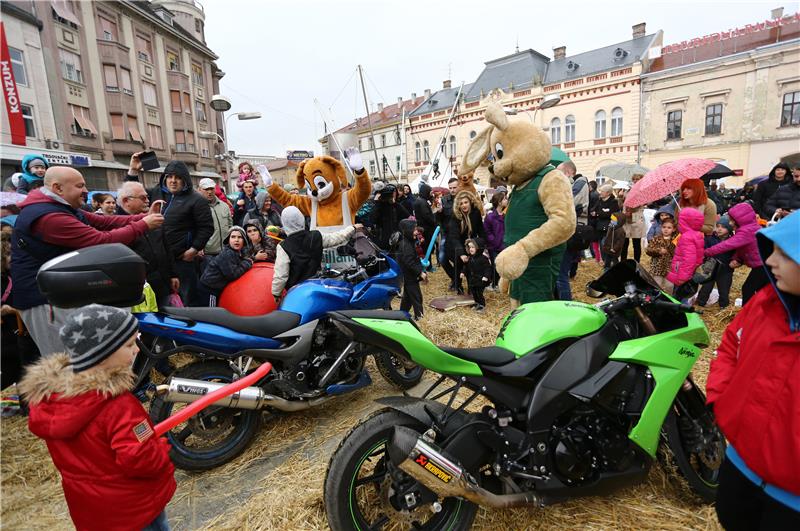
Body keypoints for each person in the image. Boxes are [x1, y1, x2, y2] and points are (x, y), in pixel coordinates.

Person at [19, 305, 176, 531]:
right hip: (135, 510)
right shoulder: (117, 406)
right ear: (103, 355)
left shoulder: (51, 401)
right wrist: (160, 449)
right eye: (130, 344)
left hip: (92, 511)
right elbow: (141, 459)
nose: (137, 350)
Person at [706, 210, 800, 530]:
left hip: (791, 502)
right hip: (741, 465)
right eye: (771, 249)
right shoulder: (765, 303)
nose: (770, 262)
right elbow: (731, 344)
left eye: (784, 254)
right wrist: (722, 398)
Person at [11, 166, 163, 356]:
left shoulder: (60, 207)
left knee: (82, 356)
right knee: (64, 360)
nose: (86, 191)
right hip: (43, 299)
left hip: (59, 292)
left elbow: (103, 222)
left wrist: (144, 217)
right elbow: (100, 240)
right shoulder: (49, 217)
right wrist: (143, 225)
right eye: (80, 186)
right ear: (58, 188)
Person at [126, 156, 214, 306]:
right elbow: (130, 193)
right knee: (160, 302)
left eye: (178, 177)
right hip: (157, 263)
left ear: (185, 180)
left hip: (182, 262)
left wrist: (193, 250)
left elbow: (207, 228)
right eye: (170, 177)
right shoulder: (157, 193)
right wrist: (133, 170)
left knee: (186, 302)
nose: (173, 180)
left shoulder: (197, 200)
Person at [271, 206, 360, 302]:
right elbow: (337, 238)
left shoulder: (283, 246)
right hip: (317, 286)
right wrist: (353, 228)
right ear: (301, 219)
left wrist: (276, 293)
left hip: (297, 292)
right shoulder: (316, 236)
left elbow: (281, 275)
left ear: (284, 222)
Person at [118, 182, 179, 308]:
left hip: (163, 284)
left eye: (147, 197)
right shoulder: (117, 227)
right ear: (126, 201)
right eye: (142, 198)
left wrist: (173, 274)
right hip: (139, 291)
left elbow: (166, 249)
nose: (147, 201)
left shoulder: (153, 219)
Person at [704, 202, 769, 305]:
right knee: (761, 290)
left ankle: (747, 314)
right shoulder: (749, 228)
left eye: (731, 220)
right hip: (763, 264)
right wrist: (737, 258)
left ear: (739, 220)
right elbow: (742, 248)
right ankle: (758, 312)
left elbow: (726, 245)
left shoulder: (746, 232)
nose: (729, 223)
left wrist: (706, 252)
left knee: (748, 288)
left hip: (762, 265)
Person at [555, 161, 589, 300]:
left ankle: (565, 303)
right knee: (560, 272)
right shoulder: (576, 183)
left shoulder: (580, 183)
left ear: (568, 173)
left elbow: (568, 202)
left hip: (572, 234)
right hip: (569, 232)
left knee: (561, 274)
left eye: (559, 172)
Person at [197, 226, 253, 307]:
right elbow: (232, 275)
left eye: (240, 237)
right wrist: (247, 263)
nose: (236, 240)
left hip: (216, 289)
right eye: (233, 237)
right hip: (209, 290)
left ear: (244, 241)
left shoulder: (237, 253)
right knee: (211, 313)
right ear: (228, 240)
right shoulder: (227, 254)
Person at [447, 190, 486, 294]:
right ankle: (458, 286)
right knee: (459, 265)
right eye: (461, 203)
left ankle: (472, 289)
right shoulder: (455, 216)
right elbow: (454, 237)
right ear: (458, 205)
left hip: (471, 243)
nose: (464, 205)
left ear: (470, 202)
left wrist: (482, 245)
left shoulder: (476, 212)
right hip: (457, 244)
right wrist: (461, 253)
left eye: (466, 202)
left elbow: (481, 230)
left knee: (472, 267)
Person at [696, 216, 734, 308]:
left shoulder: (733, 240)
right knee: (706, 287)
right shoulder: (710, 239)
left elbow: (736, 253)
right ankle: (700, 303)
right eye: (718, 226)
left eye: (723, 227)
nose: (719, 229)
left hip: (725, 270)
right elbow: (704, 250)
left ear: (729, 229)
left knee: (724, 289)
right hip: (710, 267)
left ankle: (723, 306)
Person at [666, 207, 705, 298]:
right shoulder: (697, 234)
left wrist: (682, 278)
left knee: (679, 297)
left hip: (682, 273)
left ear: (685, 222)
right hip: (691, 272)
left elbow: (689, 260)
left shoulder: (686, 237)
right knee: (686, 295)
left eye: (680, 220)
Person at [396, 219, 426, 320]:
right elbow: (409, 262)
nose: (416, 231)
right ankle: (419, 317)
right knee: (416, 296)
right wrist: (420, 272)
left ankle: (401, 315)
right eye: (414, 229)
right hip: (409, 275)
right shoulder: (405, 245)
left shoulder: (408, 242)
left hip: (408, 275)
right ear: (408, 230)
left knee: (408, 298)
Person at [198, 178, 233, 259]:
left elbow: (230, 226)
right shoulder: (197, 207)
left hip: (226, 251)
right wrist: (197, 247)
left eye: (211, 189)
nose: (209, 192)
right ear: (199, 190)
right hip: (207, 254)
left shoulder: (224, 205)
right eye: (206, 189)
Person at [370, 184, 409, 251]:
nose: (392, 195)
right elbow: (373, 219)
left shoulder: (396, 205)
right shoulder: (380, 205)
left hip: (396, 239)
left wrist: (395, 204)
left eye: (394, 192)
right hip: (382, 239)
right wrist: (377, 202)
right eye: (391, 193)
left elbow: (407, 215)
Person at [436, 178, 459, 286]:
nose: (452, 190)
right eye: (450, 188)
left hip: (460, 235)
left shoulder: (462, 199)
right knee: (442, 258)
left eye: (455, 187)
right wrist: (439, 212)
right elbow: (439, 219)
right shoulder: (444, 200)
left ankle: (457, 280)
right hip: (447, 234)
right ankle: (455, 278)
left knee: (458, 259)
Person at [589, 183, 620, 262]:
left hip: (609, 228)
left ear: (608, 193)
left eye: (602, 191)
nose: (600, 193)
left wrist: (599, 213)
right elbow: (592, 210)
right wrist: (600, 212)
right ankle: (606, 264)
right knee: (601, 247)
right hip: (599, 227)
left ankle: (611, 263)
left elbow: (612, 215)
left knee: (606, 246)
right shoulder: (599, 200)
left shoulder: (614, 202)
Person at [645, 218, 676, 293]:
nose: (666, 229)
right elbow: (648, 250)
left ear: (674, 229)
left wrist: (670, 246)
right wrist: (658, 251)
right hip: (657, 268)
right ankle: (655, 300)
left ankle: (667, 301)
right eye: (664, 227)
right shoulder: (656, 238)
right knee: (656, 285)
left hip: (669, 268)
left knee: (669, 286)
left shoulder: (674, 240)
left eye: (669, 228)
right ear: (661, 227)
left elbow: (676, 252)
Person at [461, 238, 491, 312]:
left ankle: (482, 305)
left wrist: (486, 276)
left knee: (479, 293)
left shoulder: (483, 259)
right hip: (473, 279)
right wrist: (463, 272)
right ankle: (477, 303)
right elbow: (466, 266)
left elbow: (487, 268)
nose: (471, 249)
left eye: (473, 247)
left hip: (481, 280)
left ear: (478, 248)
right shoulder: (470, 258)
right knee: (473, 292)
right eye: (470, 247)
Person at [484, 193, 506, 289]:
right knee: (495, 265)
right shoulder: (490, 217)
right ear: (499, 202)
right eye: (504, 199)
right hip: (493, 246)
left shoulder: (506, 215)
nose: (506, 200)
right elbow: (487, 231)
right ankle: (494, 284)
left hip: (504, 244)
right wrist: (494, 241)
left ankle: (501, 284)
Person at [621, 174, 646, 262]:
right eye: (634, 179)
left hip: (636, 218)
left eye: (637, 179)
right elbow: (622, 204)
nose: (635, 181)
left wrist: (630, 210)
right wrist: (620, 197)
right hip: (626, 219)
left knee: (636, 243)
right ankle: (623, 262)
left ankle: (636, 263)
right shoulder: (628, 190)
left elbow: (639, 204)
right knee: (624, 242)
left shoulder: (643, 191)